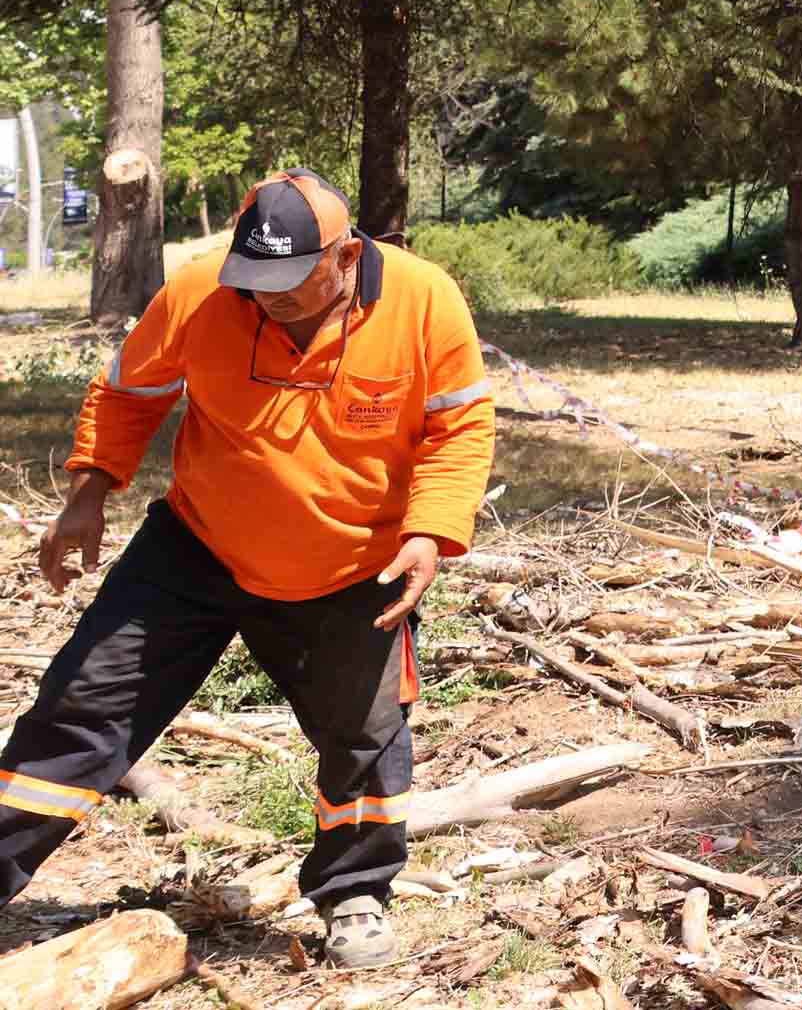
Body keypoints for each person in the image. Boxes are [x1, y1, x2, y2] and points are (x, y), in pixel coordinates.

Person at [0, 169, 493, 971]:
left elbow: (459, 427)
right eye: (255, 280)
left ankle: (354, 892)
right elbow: (129, 392)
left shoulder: (423, 299)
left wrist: (431, 532)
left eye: (290, 280)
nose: (268, 297)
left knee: (364, 735)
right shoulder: (203, 292)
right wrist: (88, 494)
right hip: (199, 545)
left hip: (352, 562)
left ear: (344, 256)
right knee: (82, 703)